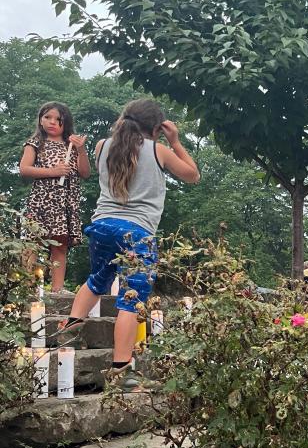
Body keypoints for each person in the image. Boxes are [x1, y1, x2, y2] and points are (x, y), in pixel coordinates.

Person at [55, 98, 200, 389]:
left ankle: (70, 329)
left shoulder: (101, 146)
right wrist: (176, 142)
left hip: (101, 225)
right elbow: (192, 175)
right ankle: (121, 370)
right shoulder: (159, 151)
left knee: (97, 278)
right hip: (137, 233)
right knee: (131, 300)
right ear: (157, 127)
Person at [19, 102, 91, 292]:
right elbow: (24, 169)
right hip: (41, 200)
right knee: (33, 244)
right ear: (40, 120)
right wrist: (53, 171)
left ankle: (57, 291)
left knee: (60, 246)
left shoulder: (72, 146)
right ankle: (28, 289)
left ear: (65, 123)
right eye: (47, 117)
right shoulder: (35, 143)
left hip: (65, 203)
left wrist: (81, 150)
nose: (52, 122)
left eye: (57, 119)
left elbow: (85, 173)